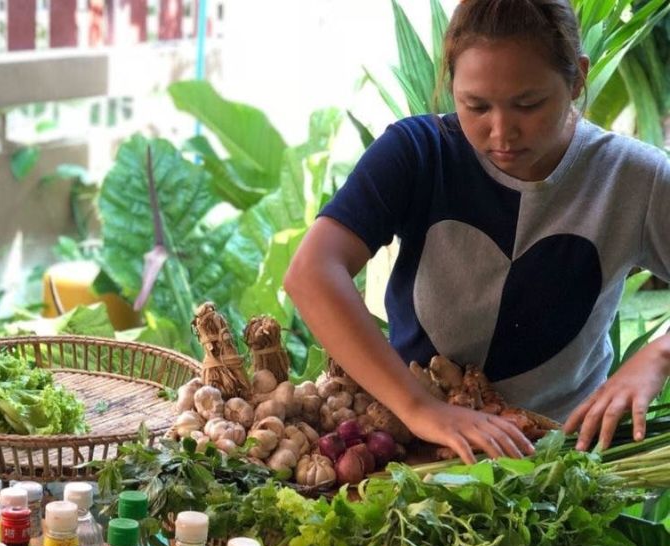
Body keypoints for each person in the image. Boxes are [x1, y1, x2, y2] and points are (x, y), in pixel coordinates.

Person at [284, 0, 670, 464]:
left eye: (528, 104)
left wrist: (659, 356)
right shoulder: (418, 153)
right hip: (412, 452)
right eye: (476, 106)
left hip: (555, 461)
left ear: (577, 79)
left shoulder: (635, 179)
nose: (502, 132)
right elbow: (311, 272)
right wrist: (420, 408)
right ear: (450, 85)